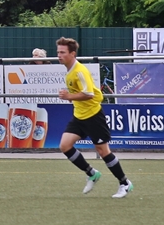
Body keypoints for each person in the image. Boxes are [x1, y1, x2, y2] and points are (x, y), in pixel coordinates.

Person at [56, 37, 132, 198]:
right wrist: (70, 97)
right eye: (58, 52)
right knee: (65, 145)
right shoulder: (69, 71)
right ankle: (92, 173)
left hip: (93, 116)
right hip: (79, 116)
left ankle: (125, 183)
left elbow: (89, 94)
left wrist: (69, 95)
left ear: (72, 54)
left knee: (103, 151)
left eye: (62, 52)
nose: (59, 55)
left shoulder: (80, 71)